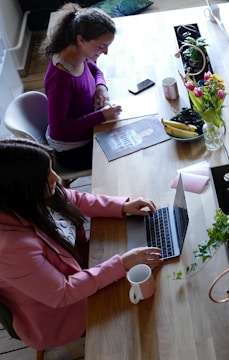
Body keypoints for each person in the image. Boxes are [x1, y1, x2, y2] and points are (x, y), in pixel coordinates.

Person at [0, 138, 162, 351]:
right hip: (61, 314)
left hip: (84, 268)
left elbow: (73, 198)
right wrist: (121, 264)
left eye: (51, 169)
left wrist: (122, 207)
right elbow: (62, 293)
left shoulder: (32, 196)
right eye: (46, 175)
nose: (56, 178)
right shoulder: (11, 248)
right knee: (155, 314)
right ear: (20, 189)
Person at [43, 3, 122, 171]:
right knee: (124, 158)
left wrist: (101, 86)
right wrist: (101, 116)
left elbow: (94, 69)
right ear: (81, 39)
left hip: (89, 127)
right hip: (73, 151)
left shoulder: (78, 53)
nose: (106, 52)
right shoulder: (61, 79)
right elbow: (59, 129)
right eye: (101, 46)